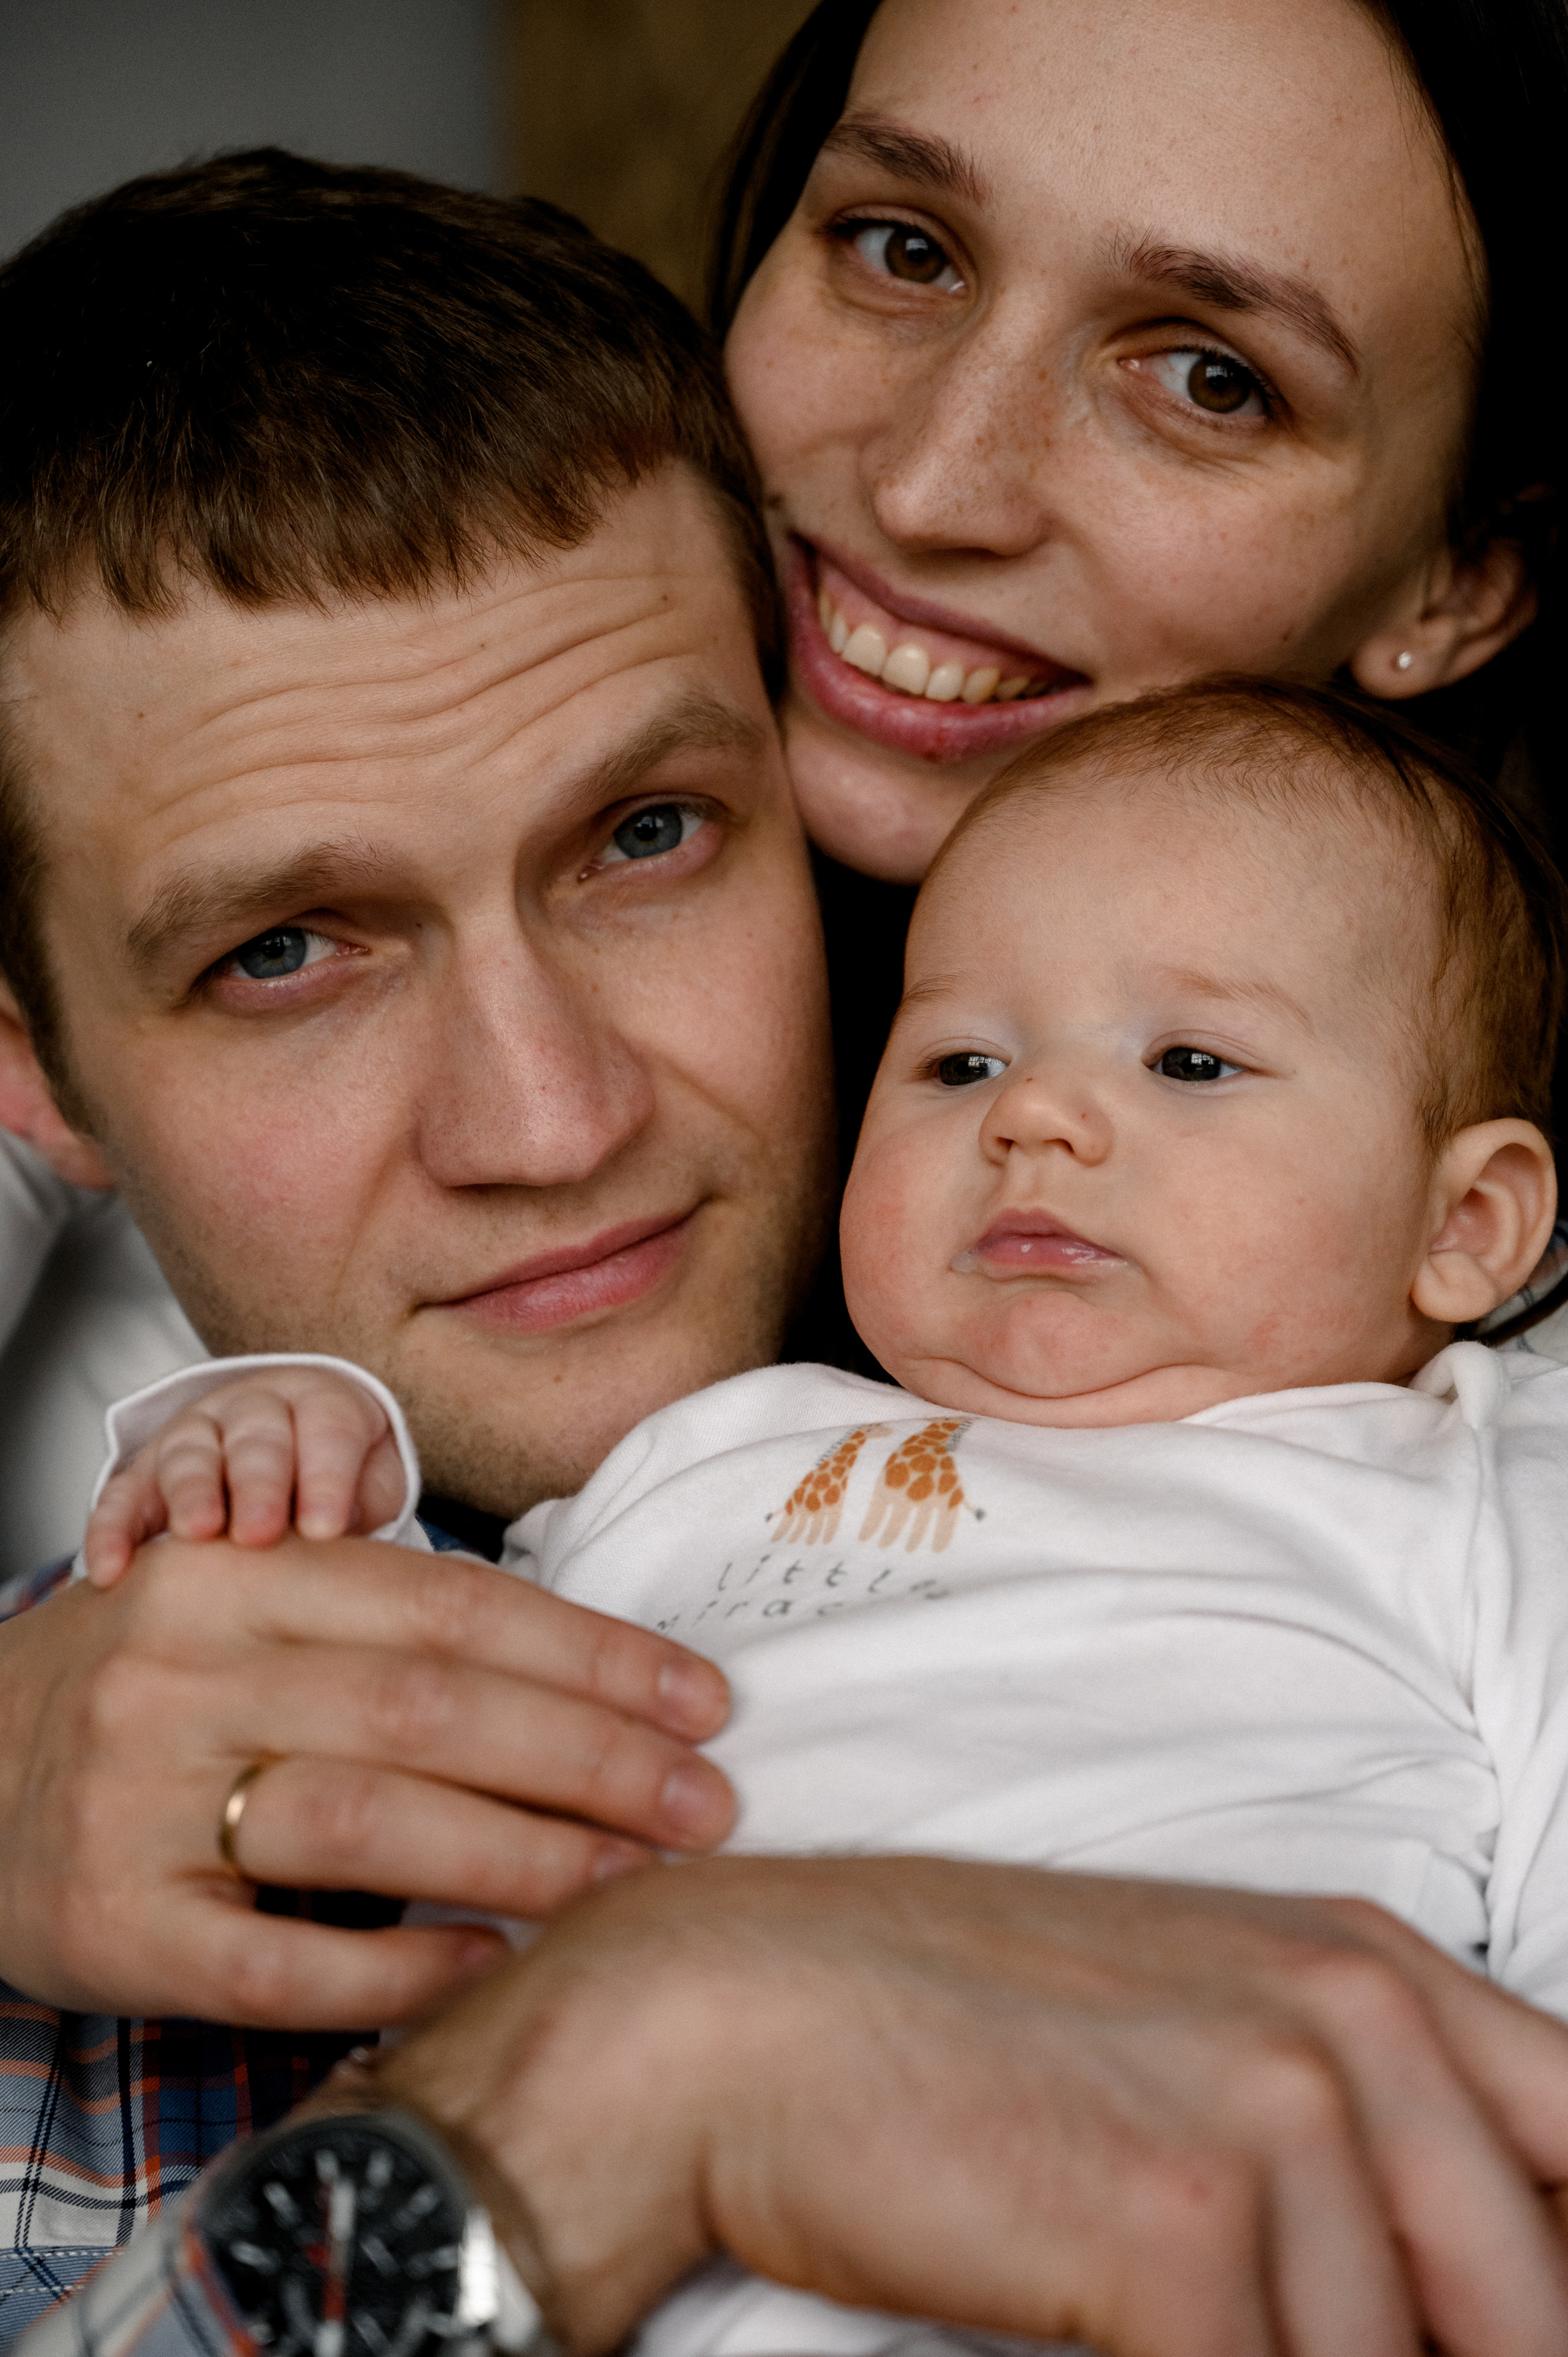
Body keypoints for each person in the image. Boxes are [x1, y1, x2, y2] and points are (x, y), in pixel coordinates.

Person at [4, 133, 1568, 2357]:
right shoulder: (64, 1800)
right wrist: (594, 2112)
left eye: (650, 834)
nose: (552, 1124)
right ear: (35, 1075)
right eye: (282, 953)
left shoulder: (1447, 1461)